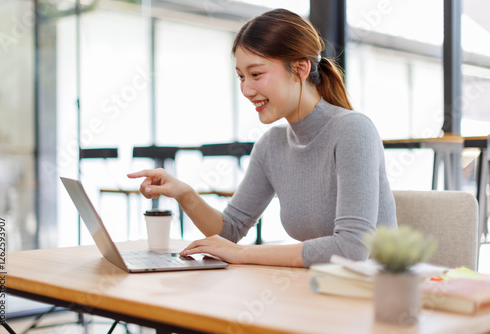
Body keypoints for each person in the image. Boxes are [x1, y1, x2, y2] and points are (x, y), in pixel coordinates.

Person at [128, 8, 397, 268]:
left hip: (376, 298)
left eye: (256, 74)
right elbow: (230, 230)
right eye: (241, 77)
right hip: (317, 290)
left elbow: (351, 248)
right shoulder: (272, 145)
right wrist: (184, 194)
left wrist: (244, 253)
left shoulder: (353, 129)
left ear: (300, 69)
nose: (246, 89)